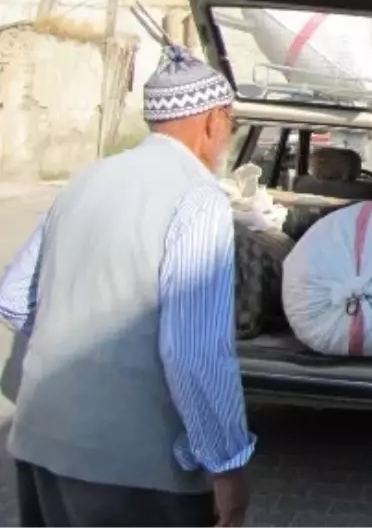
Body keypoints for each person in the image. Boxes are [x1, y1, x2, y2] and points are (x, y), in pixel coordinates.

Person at [0, 42, 255, 528]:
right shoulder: (198, 200)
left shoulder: (85, 179)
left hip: (41, 441)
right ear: (213, 121)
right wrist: (228, 465)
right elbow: (194, 353)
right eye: (232, 125)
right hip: (136, 472)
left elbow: (13, 300)